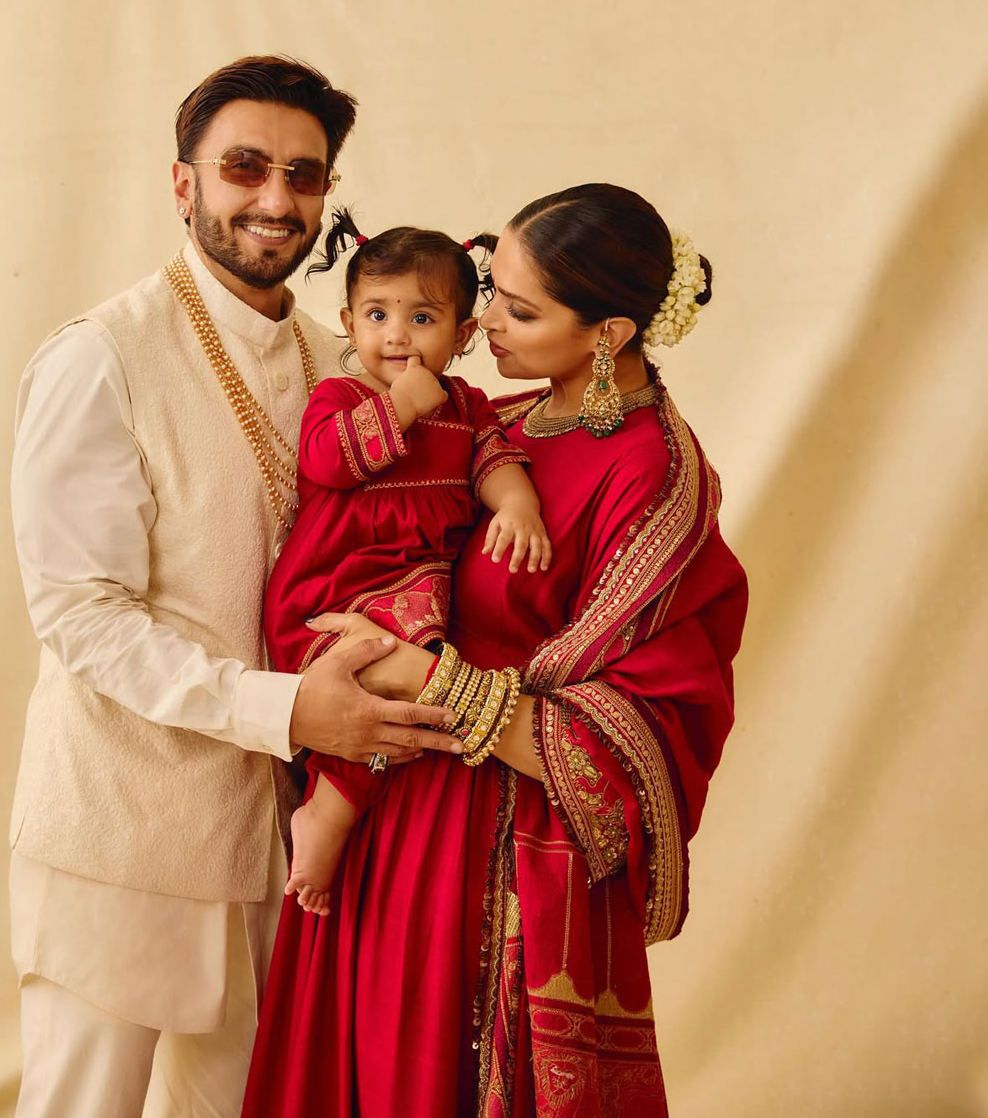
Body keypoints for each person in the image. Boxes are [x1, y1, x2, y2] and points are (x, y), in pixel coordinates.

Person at [6, 55, 459, 1118]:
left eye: (304, 177)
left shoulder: (334, 359)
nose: (274, 198)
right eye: (244, 168)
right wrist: (289, 707)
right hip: (120, 829)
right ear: (184, 185)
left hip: (282, 841)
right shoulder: (101, 358)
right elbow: (81, 613)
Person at [243, 183, 749, 1117]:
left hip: (494, 851)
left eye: (517, 311)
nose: (486, 328)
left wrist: (422, 676)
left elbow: (634, 738)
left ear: (609, 334)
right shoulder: (498, 423)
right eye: (491, 295)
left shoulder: (656, 477)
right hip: (389, 801)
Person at [263, 210, 550, 916]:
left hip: (411, 584)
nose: (397, 333)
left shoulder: (468, 406)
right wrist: (398, 408)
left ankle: (332, 808)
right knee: (384, 683)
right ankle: (325, 816)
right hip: (336, 581)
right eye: (378, 313)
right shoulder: (340, 396)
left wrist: (518, 507)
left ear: (461, 335)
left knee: (408, 699)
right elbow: (326, 462)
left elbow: (496, 460)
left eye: (422, 317)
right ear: (348, 321)